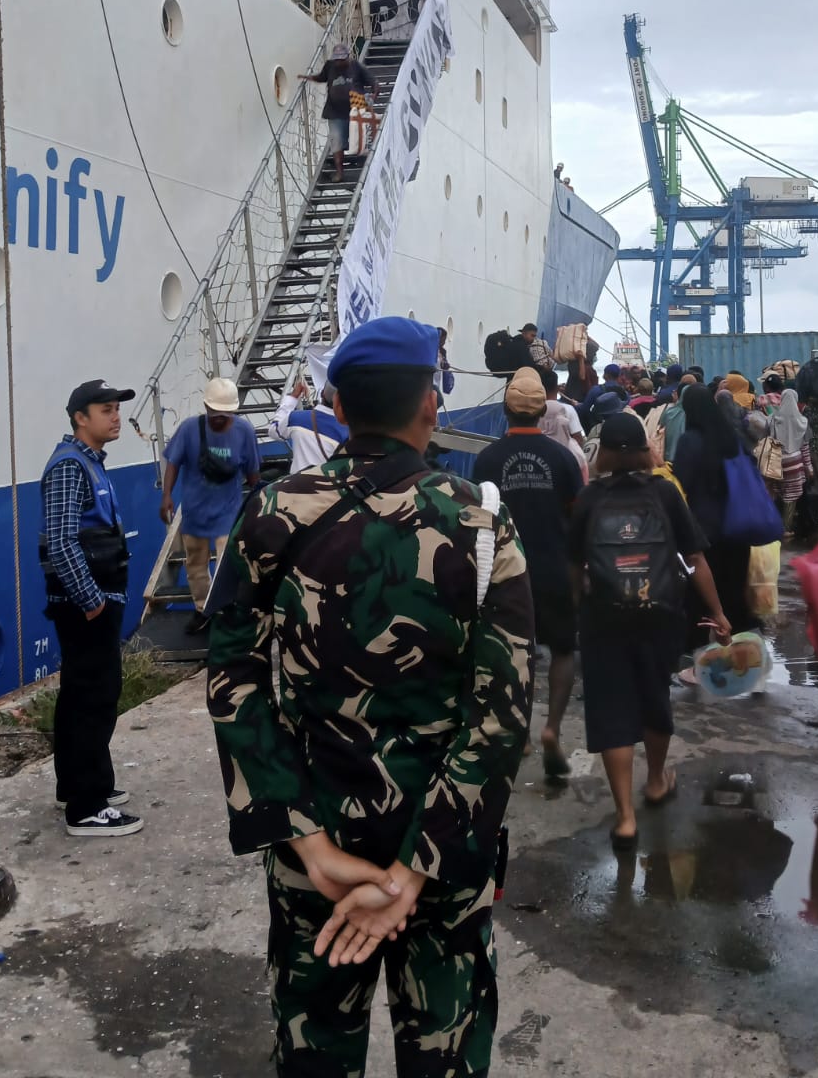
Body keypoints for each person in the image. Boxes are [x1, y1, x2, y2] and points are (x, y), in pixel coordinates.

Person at [207, 316, 534, 1076]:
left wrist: (312, 847)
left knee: (315, 1051)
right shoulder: (480, 524)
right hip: (443, 861)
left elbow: (234, 683)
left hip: (314, 850)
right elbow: (502, 711)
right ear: (431, 404)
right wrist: (416, 870)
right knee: (444, 1057)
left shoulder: (271, 515)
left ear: (340, 409)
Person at [570, 414, 730, 851]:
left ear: (603, 452)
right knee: (654, 697)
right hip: (659, 613)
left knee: (610, 710)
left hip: (603, 617)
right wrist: (717, 612)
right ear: (643, 448)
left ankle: (624, 818)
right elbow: (694, 558)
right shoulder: (664, 492)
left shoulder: (587, 498)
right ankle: (657, 781)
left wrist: (574, 609)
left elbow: (572, 564)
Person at [39, 379, 144, 837]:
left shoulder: (89, 464)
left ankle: (79, 784)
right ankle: (87, 806)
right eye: (106, 409)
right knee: (93, 698)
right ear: (80, 417)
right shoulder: (70, 468)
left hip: (94, 602)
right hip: (87, 607)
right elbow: (62, 542)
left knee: (83, 695)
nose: (115, 416)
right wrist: (92, 603)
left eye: (116, 408)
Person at [473, 367, 583, 777]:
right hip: (554, 566)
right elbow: (577, 516)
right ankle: (552, 728)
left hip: (504, 572)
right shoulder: (562, 457)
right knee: (563, 649)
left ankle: (518, 732)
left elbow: (480, 520)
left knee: (511, 653)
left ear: (506, 410)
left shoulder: (487, 459)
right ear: (542, 411)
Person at [160, 378, 260, 633]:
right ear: (205, 407)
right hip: (195, 512)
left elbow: (253, 473)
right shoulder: (188, 429)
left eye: (224, 414)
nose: (218, 418)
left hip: (228, 512)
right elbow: (173, 463)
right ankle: (203, 609)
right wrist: (166, 496)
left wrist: (257, 503)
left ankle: (227, 607)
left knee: (229, 561)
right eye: (214, 413)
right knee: (195, 564)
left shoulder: (244, 432)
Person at [673, 384, 759, 638]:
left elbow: (681, 483)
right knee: (735, 594)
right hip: (737, 525)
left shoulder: (689, 441)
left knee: (699, 599)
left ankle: (699, 657)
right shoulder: (732, 437)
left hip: (703, 530)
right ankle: (741, 656)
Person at [299, 42, 378, 182]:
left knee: (361, 139)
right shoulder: (330, 66)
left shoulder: (356, 66)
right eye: (337, 59)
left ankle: (366, 169)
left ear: (348, 57)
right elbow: (321, 77)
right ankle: (339, 173)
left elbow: (374, 83)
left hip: (356, 113)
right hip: (335, 113)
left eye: (342, 59)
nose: (340, 62)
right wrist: (308, 77)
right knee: (337, 141)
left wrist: (373, 96)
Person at [269, 378, 349, 472]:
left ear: (322, 394)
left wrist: (293, 397)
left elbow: (273, 431)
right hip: (328, 485)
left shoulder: (295, 418)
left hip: (295, 483)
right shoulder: (349, 431)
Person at [769, 387, 812, 538]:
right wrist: (809, 467)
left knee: (778, 493)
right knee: (791, 497)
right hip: (795, 461)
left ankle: (774, 524)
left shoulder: (773, 419)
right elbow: (805, 447)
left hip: (777, 462)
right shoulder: (802, 421)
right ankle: (786, 528)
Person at [537, 365, 589, 478]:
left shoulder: (533, 410)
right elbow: (578, 438)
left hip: (539, 463)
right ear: (557, 388)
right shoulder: (567, 409)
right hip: (564, 463)